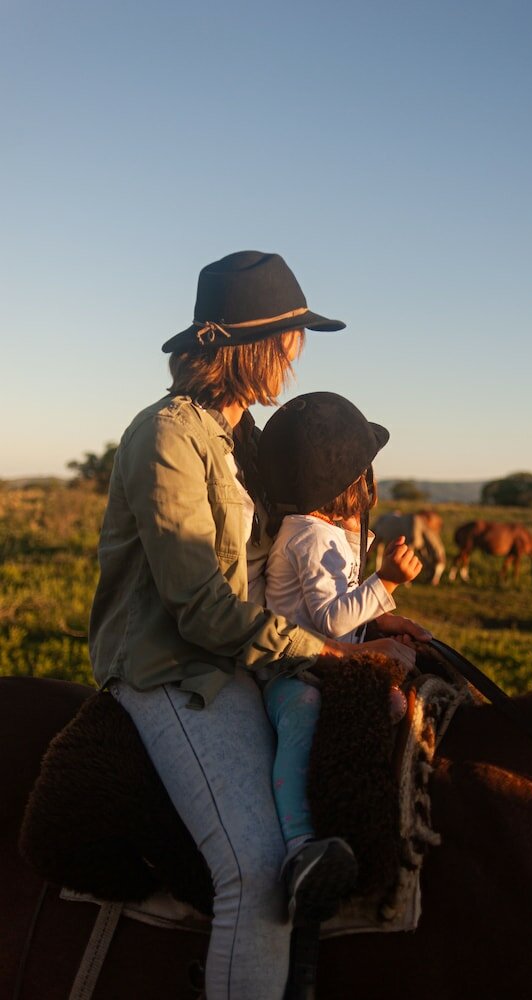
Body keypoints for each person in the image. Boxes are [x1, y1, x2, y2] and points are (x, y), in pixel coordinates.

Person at [88, 251, 428, 1000]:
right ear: (247, 345)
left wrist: (369, 617)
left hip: (241, 658)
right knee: (256, 873)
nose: (295, 358)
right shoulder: (165, 438)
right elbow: (199, 606)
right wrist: (327, 650)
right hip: (171, 669)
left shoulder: (242, 439)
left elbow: (272, 575)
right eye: (288, 341)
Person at [256, 391, 425, 923]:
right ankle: (299, 839)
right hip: (291, 666)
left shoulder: (325, 532)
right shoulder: (308, 536)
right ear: (352, 484)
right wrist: (388, 581)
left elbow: (342, 613)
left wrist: (383, 614)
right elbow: (330, 621)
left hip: (324, 655)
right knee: (302, 711)